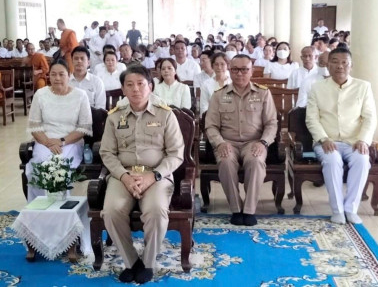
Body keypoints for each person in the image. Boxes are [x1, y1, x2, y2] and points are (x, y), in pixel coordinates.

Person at [99, 65, 184, 284]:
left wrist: (153, 176)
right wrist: (124, 177)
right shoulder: (114, 117)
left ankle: (147, 262)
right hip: (123, 175)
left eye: (140, 84)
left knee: (156, 211)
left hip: (156, 176)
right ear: (123, 90)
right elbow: (107, 153)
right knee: (111, 211)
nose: (135, 89)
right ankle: (131, 261)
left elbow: (176, 154)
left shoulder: (165, 114)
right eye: (130, 85)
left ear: (150, 86)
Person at [306, 48, 377, 224]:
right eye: (335, 61)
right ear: (328, 65)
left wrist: (363, 140)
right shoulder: (317, 88)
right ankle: (337, 210)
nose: (340, 66)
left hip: (354, 141)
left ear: (351, 65)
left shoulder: (363, 86)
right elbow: (311, 119)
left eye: (344, 62)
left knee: (362, 160)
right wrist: (323, 139)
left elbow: (370, 118)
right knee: (332, 160)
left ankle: (351, 209)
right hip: (326, 141)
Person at [205, 54, 277, 226]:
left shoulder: (263, 93)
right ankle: (236, 209)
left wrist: (263, 143)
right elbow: (211, 126)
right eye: (236, 69)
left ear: (251, 71)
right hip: (227, 142)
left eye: (244, 69)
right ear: (230, 70)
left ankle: (249, 210)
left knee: (256, 161)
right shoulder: (219, 95)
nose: (240, 73)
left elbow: (271, 124)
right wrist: (220, 143)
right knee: (226, 161)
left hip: (254, 142)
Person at [25, 59, 92, 202]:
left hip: (70, 142)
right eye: (53, 74)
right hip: (45, 141)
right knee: (37, 167)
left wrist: (61, 141)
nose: (57, 78)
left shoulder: (80, 95)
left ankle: (62, 212)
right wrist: (49, 143)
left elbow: (84, 127)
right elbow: (34, 126)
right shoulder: (41, 94)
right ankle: (38, 210)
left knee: (60, 167)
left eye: (61, 74)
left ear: (69, 75)